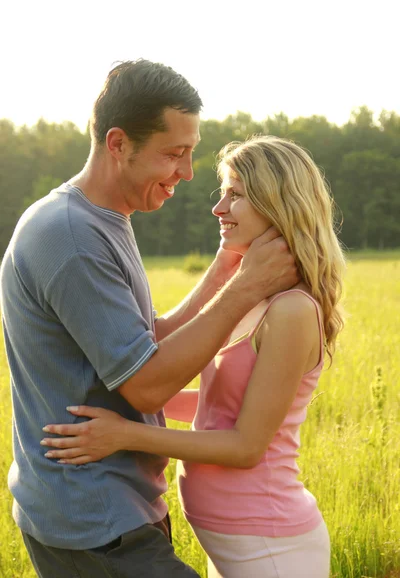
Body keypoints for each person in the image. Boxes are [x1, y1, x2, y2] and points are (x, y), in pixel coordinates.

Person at [0, 61, 298, 578]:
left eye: (191, 152)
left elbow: (144, 341)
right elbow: (146, 386)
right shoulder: (71, 237)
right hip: (93, 522)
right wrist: (247, 286)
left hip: (114, 508)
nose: (186, 173)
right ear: (118, 144)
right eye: (173, 154)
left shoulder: (105, 218)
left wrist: (224, 271)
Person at [41, 135, 346, 578]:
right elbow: (218, 404)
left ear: (278, 203)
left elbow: (244, 446)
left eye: (235, 195)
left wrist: (125, 434)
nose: (218, 209)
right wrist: (128, 398)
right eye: (222, 194)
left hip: (271, 546)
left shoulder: (293, 309)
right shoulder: (257, 297)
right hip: (232, 539)